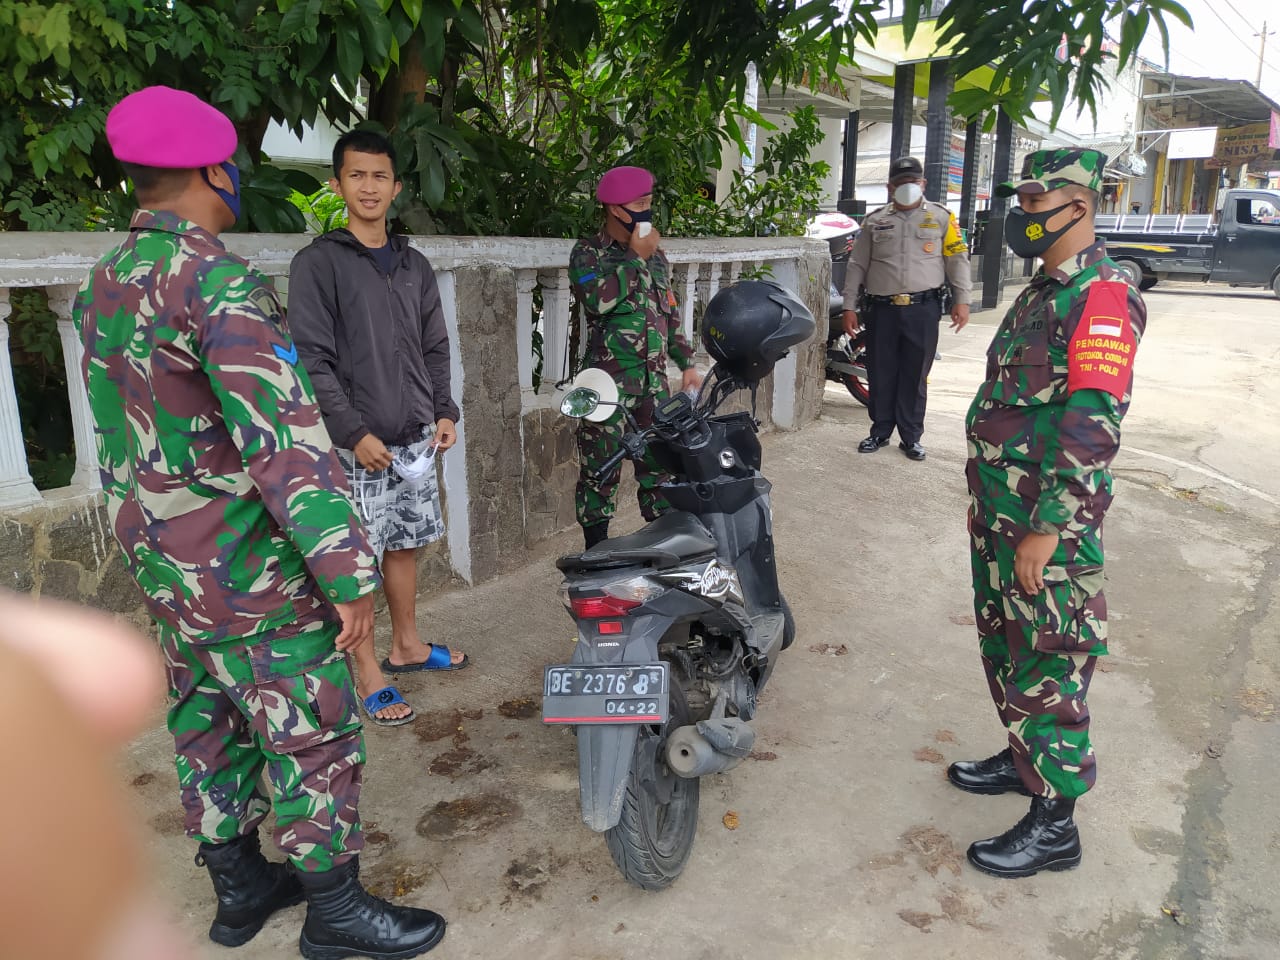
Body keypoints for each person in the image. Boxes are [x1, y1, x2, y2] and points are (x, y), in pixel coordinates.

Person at [72, 86, 446, 958]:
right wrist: (348, 578)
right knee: (309, 729)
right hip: (246, 568)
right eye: (231, 166)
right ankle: (337, 913)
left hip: (166, 563)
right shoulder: (216, 282)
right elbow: (287, 446)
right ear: (213, 170)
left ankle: (239, 889)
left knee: (205, 719)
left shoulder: (107, 279)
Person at [952, 148, 1146, 879]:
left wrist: (1046, 528)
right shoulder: (1045, 290)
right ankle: (1022, 756)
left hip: (1043, 524)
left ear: (1081, 207)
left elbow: (1093, 424)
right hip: (1002, 512)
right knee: (1007, 644)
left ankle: (1055, 822)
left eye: (1037, 202)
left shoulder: (1101, 295)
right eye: (1023, 201)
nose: (1023, 215)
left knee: (1050, 657)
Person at [289, 130, 468, 728]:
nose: (370, 187)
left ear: (395, 187)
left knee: (405, 542)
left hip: (413, 436)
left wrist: (444, 411)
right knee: (355, 557)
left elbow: (435, 347)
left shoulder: (414, 264)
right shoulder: (319, 264)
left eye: (380, 177)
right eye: (357, 176)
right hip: (353, 446)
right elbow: (311, 358)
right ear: (337, 184)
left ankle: (408, 645)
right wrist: (350, 431)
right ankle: (369, 671)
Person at [568, 165, 702, 548]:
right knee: (599, 472)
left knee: (660, 469)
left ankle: (662, 550)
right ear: (615, 208)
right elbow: (597, 302)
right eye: (640, 203)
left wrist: (687, 364)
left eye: (649, 202)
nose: (647, 210)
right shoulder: (588, 253)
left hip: (653, 385)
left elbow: (669, 314)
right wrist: (634, 257)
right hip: (606, 384)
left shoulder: (658, 257)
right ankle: (595, 554)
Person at [841, 156, 972, 461]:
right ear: (890, 187)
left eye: (912, 182)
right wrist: (849, 306)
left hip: (922, 309)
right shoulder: (874, 221)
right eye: (900, 184)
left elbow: (957, 259)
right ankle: (880, 431)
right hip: (881, 310)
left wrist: (961, 300)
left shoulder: (942, 218)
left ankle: (911, 437)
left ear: (922, 184)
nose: (907, 188)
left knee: (916, 374)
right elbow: (857, 264)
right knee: (881, 370)